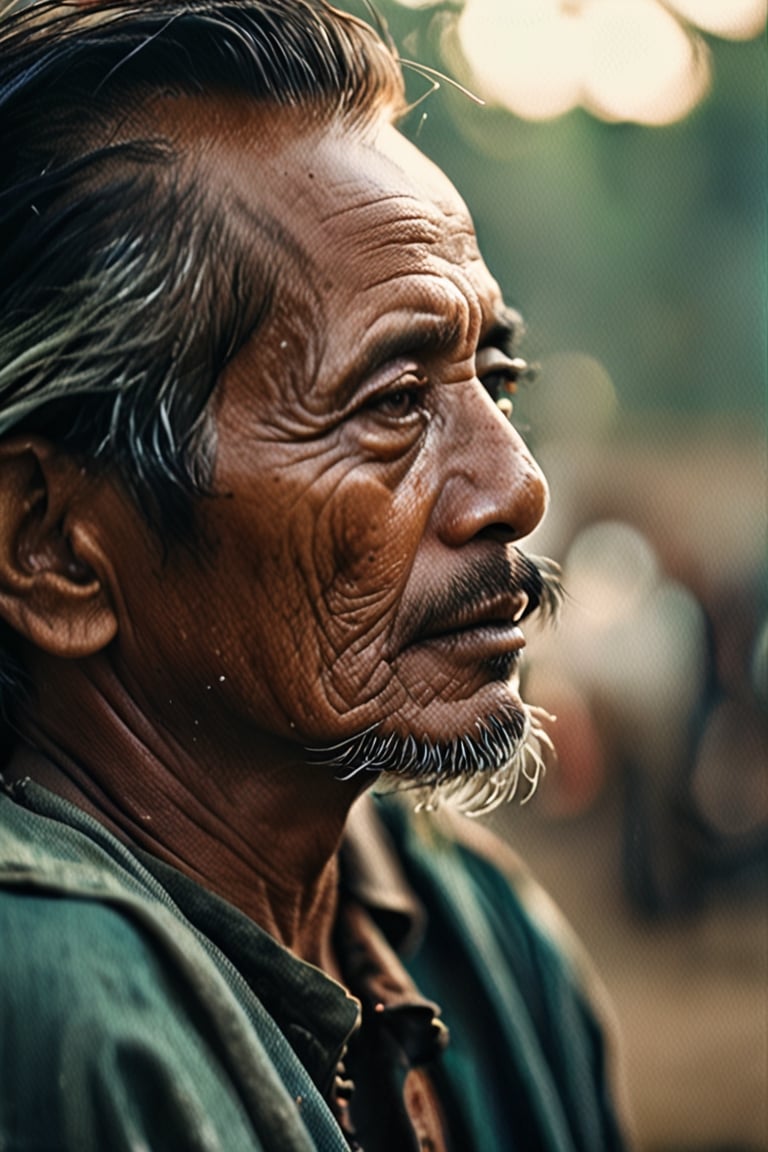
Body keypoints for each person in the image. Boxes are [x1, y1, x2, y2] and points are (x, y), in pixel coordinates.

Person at [0, 2, 629, 1148]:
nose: (516, 485)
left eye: (497, 372)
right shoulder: (46, 1013)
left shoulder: (474, 930)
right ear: (51, 545)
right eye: (391, 403)